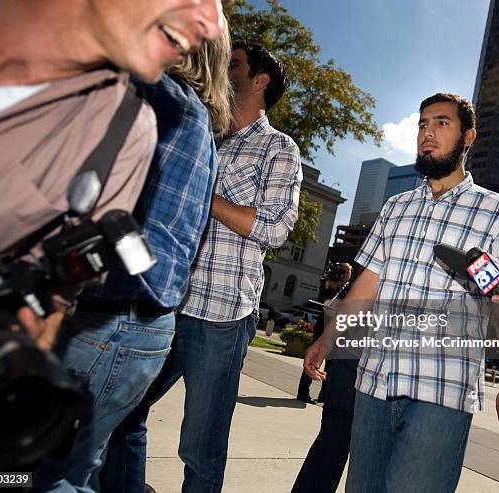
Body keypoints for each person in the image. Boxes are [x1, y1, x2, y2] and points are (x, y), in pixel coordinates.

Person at [305, 93, 499, 493]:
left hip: (441, 392)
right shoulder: (396, 208)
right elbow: (368, 285)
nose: (427, 132)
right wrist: (328, 338)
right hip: (375, 382)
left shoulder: (495, 213)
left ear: (469, 137)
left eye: (442, 123)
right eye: (422, 123)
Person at [0, 0, 225, 347]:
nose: (214, 21)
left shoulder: (136, 116)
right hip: (152, 315)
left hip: (115, 313)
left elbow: (53, 296)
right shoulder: (191, 119)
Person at [114, 42, 301, 492]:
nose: (223, 68)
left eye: (234, 64)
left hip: (221, 316)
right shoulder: (203, 132)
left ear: (261, 81)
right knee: (124, 415)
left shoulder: (279, 149)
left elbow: (274, 228)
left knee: (200, 448)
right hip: (167, 301)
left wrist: (204, 195)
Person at [92, 21, 234, 493]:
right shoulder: (204, 131)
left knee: (25, 472)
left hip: (110, 314)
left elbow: (100, 202)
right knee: (81, 460)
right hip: (153, 321)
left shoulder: (155, 97)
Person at [297, 262, 352, 404]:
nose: (344, 274)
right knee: (314, 357)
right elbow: (323, 297)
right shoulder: (329, 283)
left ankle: (324, 395)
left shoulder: (352, 289)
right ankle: (303, 392)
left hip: (339, 327)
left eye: (347, 272)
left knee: (331, 364)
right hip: (323, 325)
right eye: (342, 271)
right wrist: (330, 284)